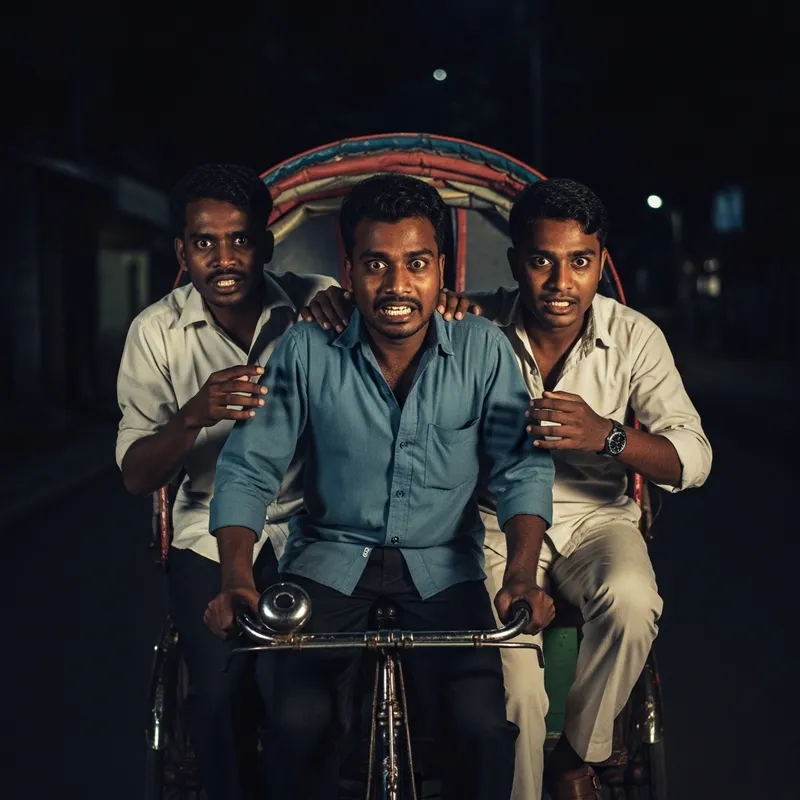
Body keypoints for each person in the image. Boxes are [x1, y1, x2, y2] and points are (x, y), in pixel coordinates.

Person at [301, 177, 713, 800]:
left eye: (580, 262)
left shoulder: (634, 337)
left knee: (632, 600)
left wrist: (607, 436)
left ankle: (576, 756)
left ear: (601, 263)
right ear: (517, 261)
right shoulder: (471, 321)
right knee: (512, 684)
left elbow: (693, 460)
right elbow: (394, 302)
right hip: (496, 524)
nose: (561, 282)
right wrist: (335, 300)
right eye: (542, 261)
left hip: (598, 519)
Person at [204, 173, 556, 800]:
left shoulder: (485, 350)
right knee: (295, 724)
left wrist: (522, 575)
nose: (397, 286)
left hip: (445, 571)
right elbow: (248, 467)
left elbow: (521, 467)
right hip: (327, 564)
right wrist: (236, 576)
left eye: (417, 263)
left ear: (442, 267)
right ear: (348, 269)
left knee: (481, 728)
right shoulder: (305, 350)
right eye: (376, 265)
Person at [115, 163, 340, 800]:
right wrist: (193, 415)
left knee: (311, 701)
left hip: (311, 526)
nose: (224, 258)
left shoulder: (314, 299)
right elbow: (136, 475)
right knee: (218, 701)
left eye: (240, 240)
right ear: (181, 251)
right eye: (205, 243)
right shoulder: (155, 332)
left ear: (266, 243)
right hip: (206, 532)